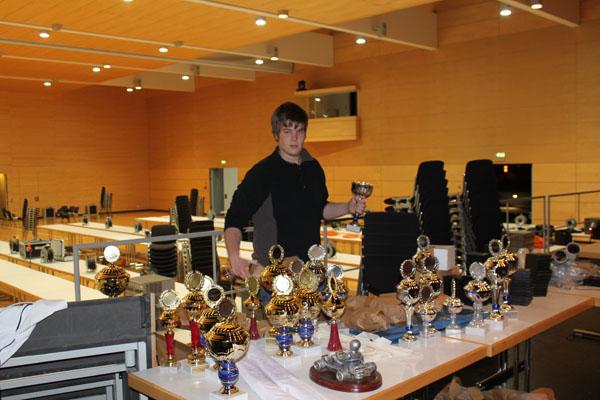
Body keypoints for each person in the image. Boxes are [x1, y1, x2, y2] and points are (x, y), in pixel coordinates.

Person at [224, 102, 366, 279]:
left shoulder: (313, 168)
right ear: (276, 135)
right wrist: (234, 257)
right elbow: (234, 217)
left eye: (299, 131)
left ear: (305, 134)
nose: (294, 138)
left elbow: (320, 209)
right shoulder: (262, 173)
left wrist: (347, 207)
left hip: (310, 272)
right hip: (274, 275)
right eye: (287, 131)